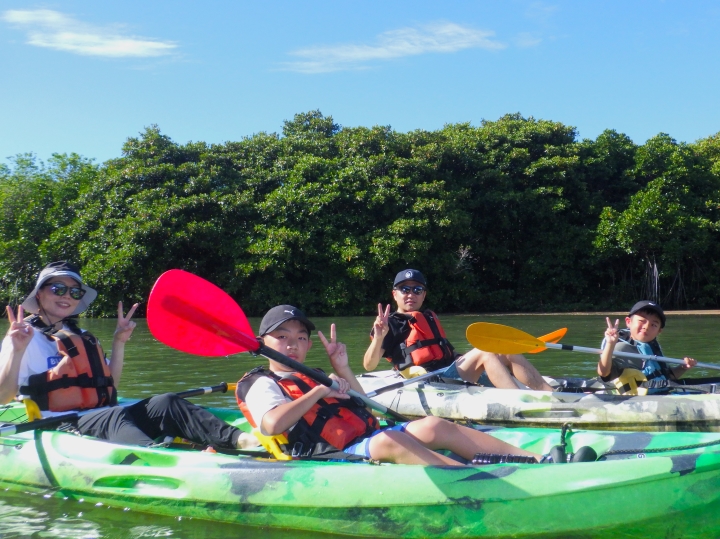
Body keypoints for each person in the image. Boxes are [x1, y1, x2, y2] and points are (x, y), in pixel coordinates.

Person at [235, 305, 594, 465]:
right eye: (282, 337)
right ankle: (479, 478)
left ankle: (538, 460)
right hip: (332, 453)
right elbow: (272, 425)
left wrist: (340, 368)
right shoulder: (263, 383)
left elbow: (361, 401)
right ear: (263, 342)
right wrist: (319, 390)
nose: (293, 344)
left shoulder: (313, 373)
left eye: (300, 337)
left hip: (365, 437)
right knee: (391, 440)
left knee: (434, 425)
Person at [0, 261, 253, 449]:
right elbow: (3, 397)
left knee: (166, 402)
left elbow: (110, 386)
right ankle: (156, 456)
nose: (67, 296)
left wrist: (119, 342)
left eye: (75, 292)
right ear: (39, 293)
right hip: (61, 424)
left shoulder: (81, 335)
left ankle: (240, 440)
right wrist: (16, 350)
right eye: (58, 288)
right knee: (115, 415)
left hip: (101, 415)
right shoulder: (22, 337)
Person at [363, 269, 553, 391]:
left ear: (424, 295)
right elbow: (368, 365)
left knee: (503, 349)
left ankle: (549, 393)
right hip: (432, 381)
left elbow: (448, 352)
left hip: (450, 371)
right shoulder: (390, 324)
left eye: (417, 290)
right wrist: (379, 337)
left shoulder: (428, 317)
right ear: (395, 294)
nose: (411, 294)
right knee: (485, 352)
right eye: (405, 289)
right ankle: (519, 402)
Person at [599, 300, 697, 395]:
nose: (646, 327)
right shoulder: (621, 348)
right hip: (636, 399)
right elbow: (604, 373)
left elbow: (667, 377)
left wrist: (683, 367)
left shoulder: (653, 347)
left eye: (653, 324)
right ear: (628, 322)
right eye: (642, 321)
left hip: (661, 394)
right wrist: (610, 344)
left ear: (659, 331)